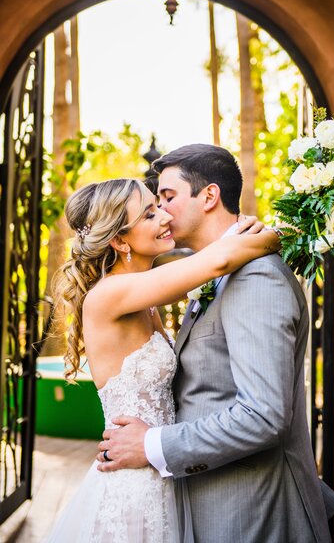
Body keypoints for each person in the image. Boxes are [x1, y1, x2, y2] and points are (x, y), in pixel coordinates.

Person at [97, 144, 334, 543]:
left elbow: (263, 416)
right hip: (207, 503)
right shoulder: (212, 272)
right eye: (154, 205)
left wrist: (153, 443)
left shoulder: (254, 278)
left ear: (209, 196)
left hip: (252, 513)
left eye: (167, 197)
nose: (161, 212)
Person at [45, 176, 281, 543]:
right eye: (149, 214)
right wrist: (276, 234)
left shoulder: (144, 293)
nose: (165, 218)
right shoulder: (110, 294)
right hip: (135, 485)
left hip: (163, 467)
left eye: (159, 206)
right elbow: (218, 261)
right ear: (120, 240)